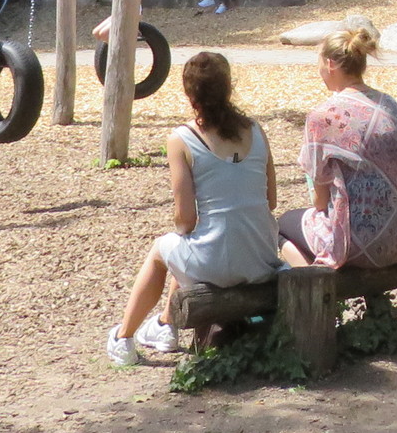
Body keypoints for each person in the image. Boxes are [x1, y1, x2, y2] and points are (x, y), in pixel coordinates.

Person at [107, 51, 279, 366]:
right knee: (188, 246)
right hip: (261, 259)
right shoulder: (256, 130)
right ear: (228, 88)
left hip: (218, 264)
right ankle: (165, 325)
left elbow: (185, 219)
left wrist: (188, 230)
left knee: (164, 249)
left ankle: (123, 338)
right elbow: (271, 200)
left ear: (190, 95)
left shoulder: (182, 139)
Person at [278, 25, 397, 269]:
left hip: (362, 247)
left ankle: (319, 286)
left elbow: (319, 201)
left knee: (282, 226)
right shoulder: (390, 104)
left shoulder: (323, 116)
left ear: (330, 64)